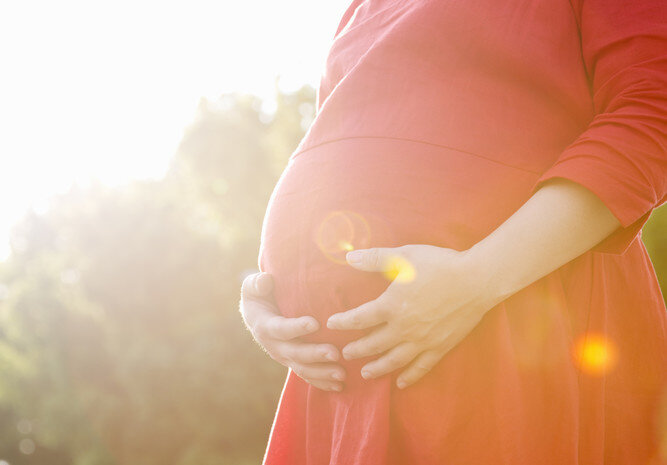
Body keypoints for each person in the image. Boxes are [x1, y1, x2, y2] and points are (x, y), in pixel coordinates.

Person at [239, 0, 667, 463]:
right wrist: (271, 293)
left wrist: (478, 279)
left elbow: (652, 109)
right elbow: (342, 150)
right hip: (342, 380)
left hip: (509, 323)